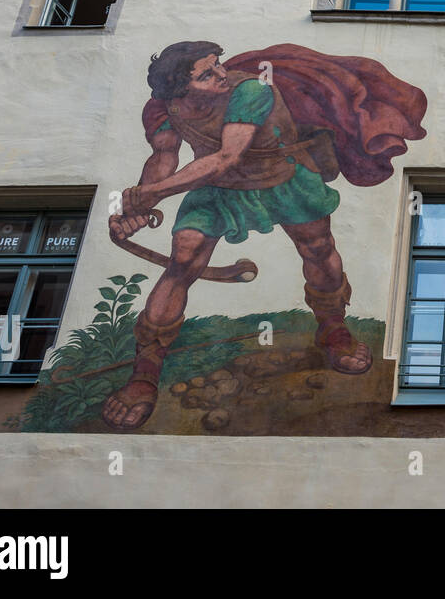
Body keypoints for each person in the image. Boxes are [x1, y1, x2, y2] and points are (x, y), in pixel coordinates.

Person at [102, 41, 426, 430]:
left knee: (318, 248)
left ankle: (333, 328)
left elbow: (226, 156)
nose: (221, 74)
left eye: (217, 65)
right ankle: (145, 372)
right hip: (217, 188)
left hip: (280, 175)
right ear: (179, 90)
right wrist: (139, 205)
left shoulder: (252, 90)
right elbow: (163, 158)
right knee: (183, 257)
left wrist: (150, 196)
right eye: (206, 74)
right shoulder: (162, 109)